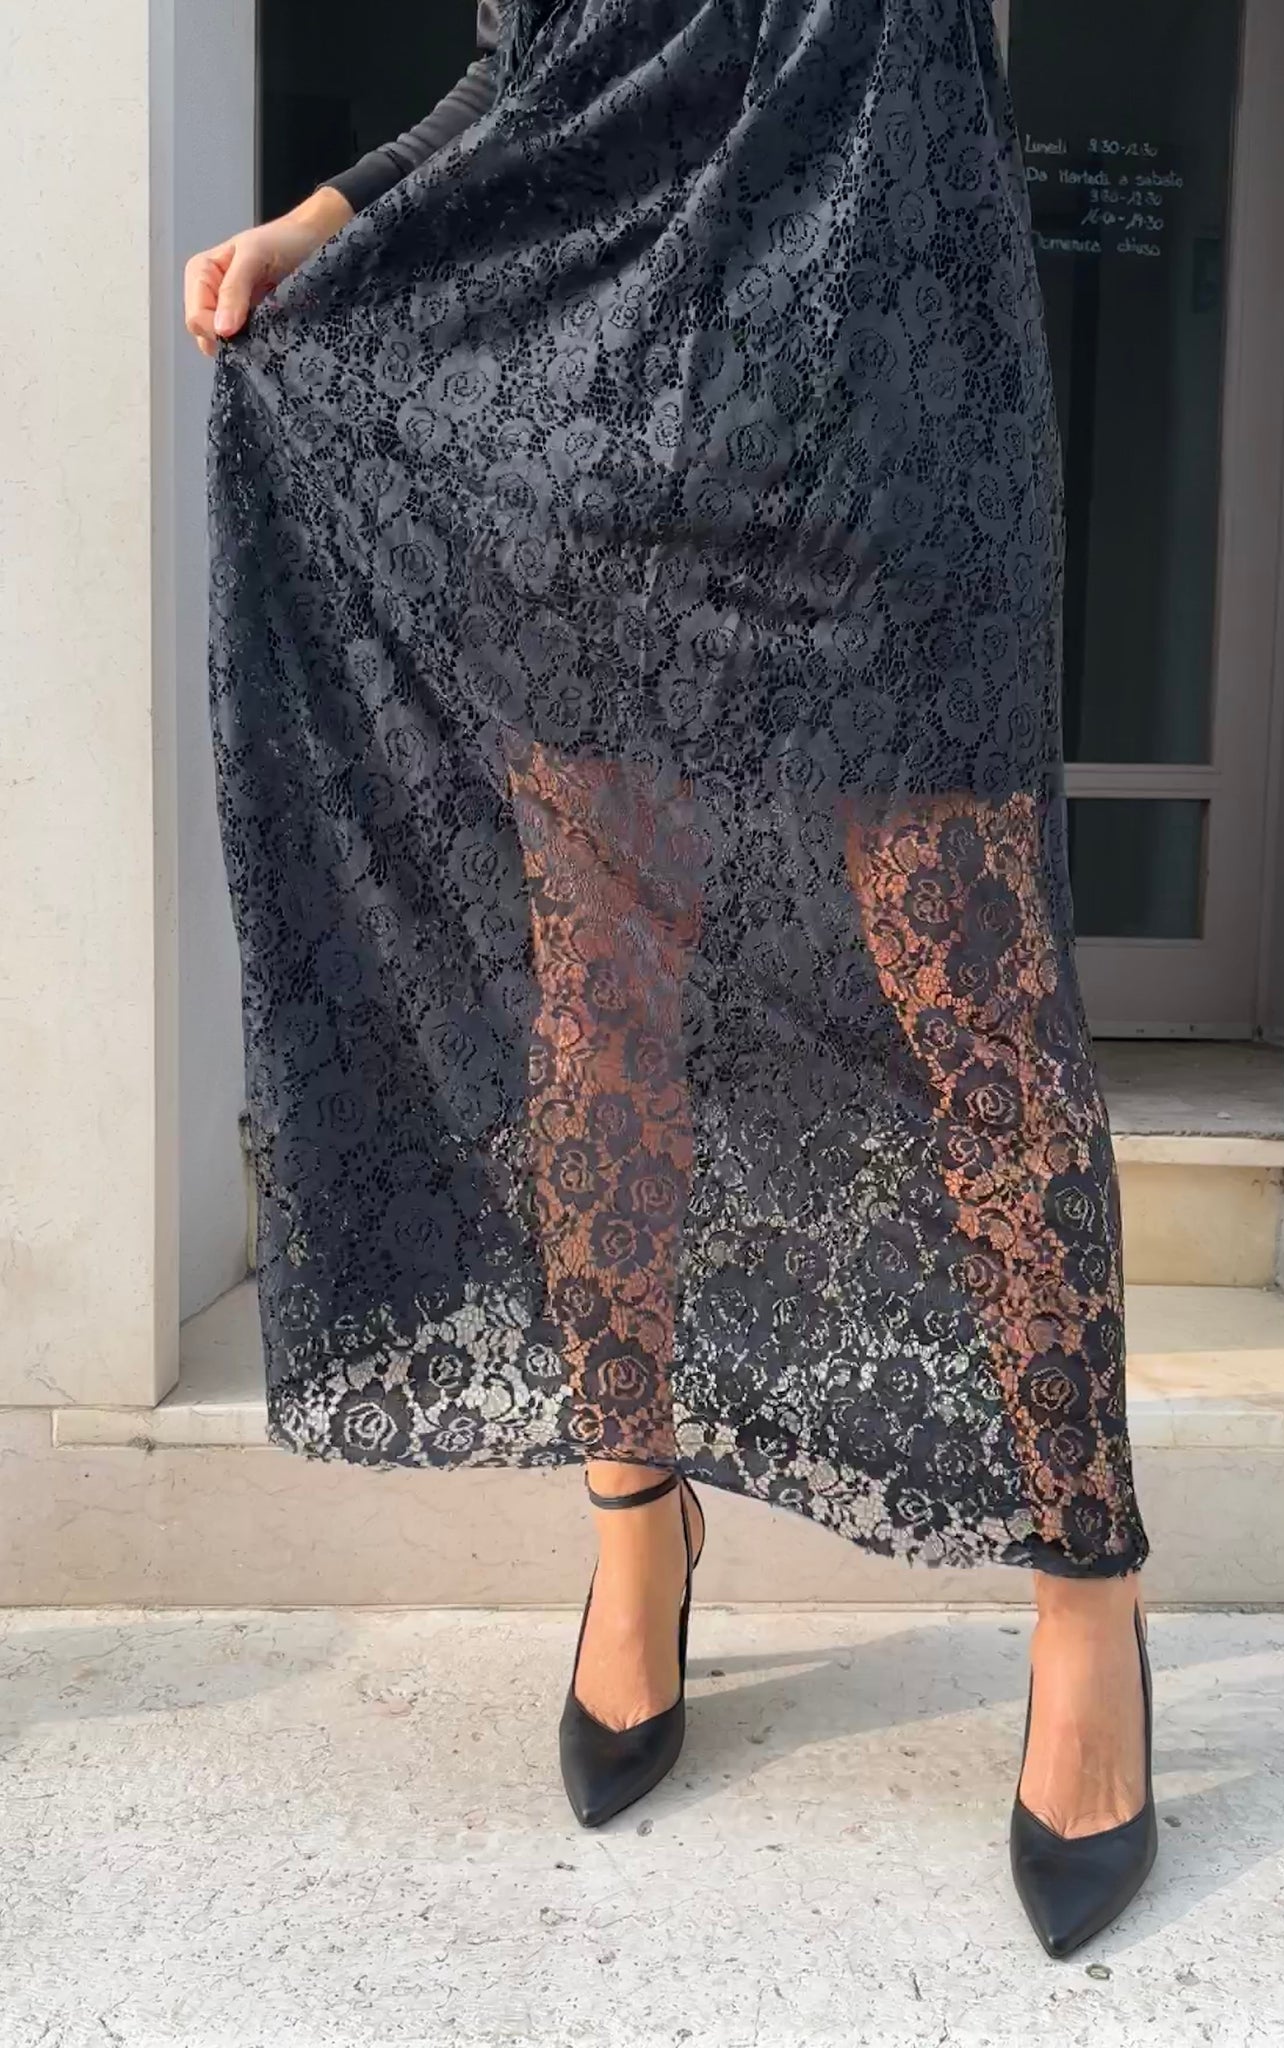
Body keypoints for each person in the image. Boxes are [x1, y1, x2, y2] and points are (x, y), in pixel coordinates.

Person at [184, 0, 1154, 1955]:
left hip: (892, 411)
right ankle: (638, 1525)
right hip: (609, 419)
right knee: (601, 1024)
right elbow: (533, 62)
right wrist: (325, 217)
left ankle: (1091, 1601)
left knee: (985, 1026)